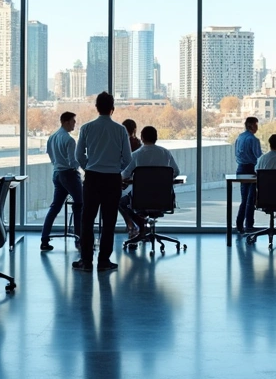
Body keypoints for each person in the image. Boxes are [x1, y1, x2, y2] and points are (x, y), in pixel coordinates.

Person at [75, 92, 132, 272]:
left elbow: (78, 156)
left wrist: (88, 167)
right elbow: (128, 158)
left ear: (96, 108)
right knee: (109, 222)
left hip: (92, 178)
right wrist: (116, 168)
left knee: (87, 220)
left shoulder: (86, 128)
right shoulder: (120, 130)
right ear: (112, 109)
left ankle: (86, 261)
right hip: (112, 179)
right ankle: (104, 261)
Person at [119, 126, 180, 236]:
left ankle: (140, 225)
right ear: (156, 138)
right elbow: (176, 172)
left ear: (142, 138)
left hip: (140, 199)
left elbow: (125, 174)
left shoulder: (135, 155)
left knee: (120, 202)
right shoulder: (165, 153)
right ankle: (143, 225)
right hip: (163, 198)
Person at [40, 112, 84, 251]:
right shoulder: (70, 140)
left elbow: (51, 156)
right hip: (69, 175)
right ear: (66, 122)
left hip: (57, 173)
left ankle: (44, 239)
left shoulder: (52, 137)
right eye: (73, 121)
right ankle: (80, 239)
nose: (74, 124)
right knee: (80, 205)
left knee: (55, 207)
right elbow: (72, 161)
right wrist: (84, 166)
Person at [235, 116, 262, 233]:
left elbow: (236, 154)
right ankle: (249, 225)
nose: (257, 128)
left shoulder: (239, 137)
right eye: (256, 125)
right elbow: (258, 156)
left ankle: (239, 224)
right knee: (251, 199)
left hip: (240, 169)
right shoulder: (253, 140)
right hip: (250, 169)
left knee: (244, 199)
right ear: (250, 125)